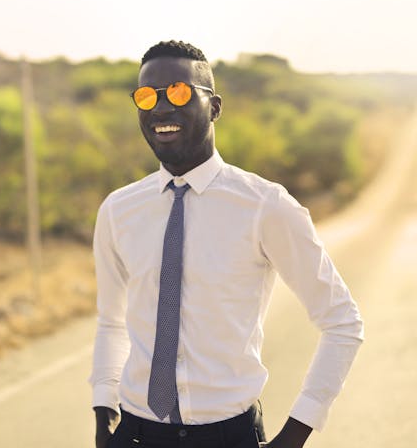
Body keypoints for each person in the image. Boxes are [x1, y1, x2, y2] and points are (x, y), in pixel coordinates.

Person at [89, 40, 364, 448]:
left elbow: (342, 322)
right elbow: (112, 321)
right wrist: (103, 413)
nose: (161, 109)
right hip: (136, 434)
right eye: (147, 97)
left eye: (179, 93)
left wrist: (295, 433)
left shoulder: (265, 205)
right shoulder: (119, 210)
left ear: (214, 107)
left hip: (227, 436)